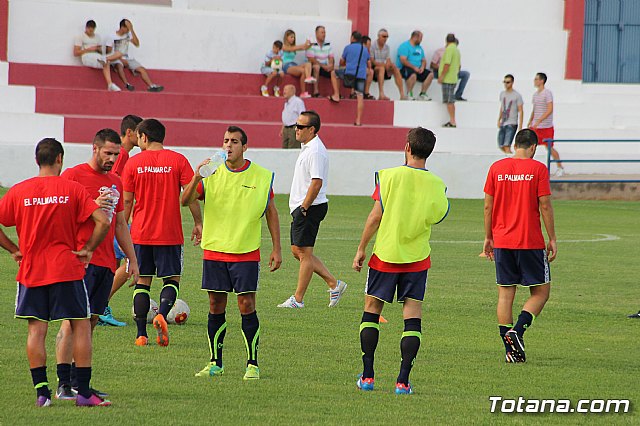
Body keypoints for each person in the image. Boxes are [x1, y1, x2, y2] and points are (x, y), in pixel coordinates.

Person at [0, 138, 110, 407]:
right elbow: (103, 220)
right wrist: (88, 249)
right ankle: (83, 393)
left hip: (32, 271)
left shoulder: (19, 190)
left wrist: (14, 249)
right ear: (60, 158)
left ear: (38, 160)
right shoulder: (72, 189)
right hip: (67, 269)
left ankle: (42, 393)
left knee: (36, 330)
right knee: (81, 326)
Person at [352, 127, 449, 395]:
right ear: (429, 151)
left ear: (407, 147)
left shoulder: (389, 176)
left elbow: (375, 217)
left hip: (385, 255)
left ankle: (368, 376)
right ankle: (403, 381)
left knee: (372, 310)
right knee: (412, 317)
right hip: (417, 258)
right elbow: (438, 215)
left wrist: (361, 248)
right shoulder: (437, 184)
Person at [181, 126, 282, 381]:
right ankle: (215, 362)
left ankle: (252, 363)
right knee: (216, 305)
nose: (229, 146)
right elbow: (185, 200)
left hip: (245, 250)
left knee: (246, 305)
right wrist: (196, 175)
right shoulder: (211, 174)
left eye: (234, 142)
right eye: (226, 141)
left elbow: (271, 211)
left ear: (244, 147)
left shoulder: (261, 176)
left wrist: (277, 248)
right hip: (215, 250)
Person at [54, 128, 140, 400]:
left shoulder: (116, 180)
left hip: (104, 264)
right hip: (80, 262)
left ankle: (81, 382)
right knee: (71, 323)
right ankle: (62, 383)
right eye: (107, 153)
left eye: (116, 154)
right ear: (94, 148)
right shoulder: (73, 177)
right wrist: (92, 204)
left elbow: (121, 224)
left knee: (89, 323)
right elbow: (60, 218)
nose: (112, 158)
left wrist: (132, 259)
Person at [122, 118, 203, 346]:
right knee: (171, 280)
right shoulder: (178, 160)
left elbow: (127, 202)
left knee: (142, 282)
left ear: (144, 137)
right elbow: (192, 194)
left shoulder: (133, 163)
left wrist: (124, 231)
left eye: (138, 138)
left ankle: (140, 334)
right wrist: (198, 222)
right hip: (169, 233)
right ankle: (161, 314)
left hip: (140, 233)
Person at [483, 128, 557, 363]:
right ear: (534, 147)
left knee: (505, 295)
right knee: (541, 292)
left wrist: (488, 237)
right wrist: (552, 237)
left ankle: (510, 351)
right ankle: (519, 331)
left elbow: (488, 206)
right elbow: (545, 205)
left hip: (502, 240)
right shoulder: (538, 169)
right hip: (530, 241)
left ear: (515, 145)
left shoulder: (497, 168)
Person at [278, 111, 347, 308]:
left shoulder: (315, 150)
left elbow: (317, 182)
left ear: (312, 129)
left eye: (300, 127)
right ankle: (334, 284)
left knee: (304, 253)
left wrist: (304, 207)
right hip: (305, 207)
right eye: (295, 126)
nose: (296, 130)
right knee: (297, 251)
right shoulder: (308, 147)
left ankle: (297, 299)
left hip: (310, 207)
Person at [98, 114, 143, 327]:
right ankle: (101, 304)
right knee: (128, 264)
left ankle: (99, 306)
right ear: (129, 133)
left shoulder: (124, 154)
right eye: (139, 132)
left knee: (113, 263)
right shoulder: (122, 155)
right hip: (116, 218)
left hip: (114, 216)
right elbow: (112, 183)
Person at [105, 19, 164, 92]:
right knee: (119, 65)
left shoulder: (128, 35)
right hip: (117, 58)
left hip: (129, 59)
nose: (128, 30)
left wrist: (131, 29)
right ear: (122, 27)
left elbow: (137, 44)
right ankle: (127, 84)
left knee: (142, 70)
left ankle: (151, 86)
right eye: (127, 28)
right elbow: (109, 52)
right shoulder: (111, 36)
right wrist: (117, 58)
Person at [528, 72, 564, 176]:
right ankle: (529, 167)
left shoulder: (547, 93)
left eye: (536, 79)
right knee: (530, 146)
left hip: (545, 127)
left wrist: (540, 120)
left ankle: (560, 167)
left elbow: (550, 109)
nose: (534, 81)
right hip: (535, 126)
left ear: (541, 80)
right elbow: (535, 109)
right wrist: (531, 120)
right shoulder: (535, 95)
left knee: (549, 147)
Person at [74, 20, 123, 91]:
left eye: (92, 30)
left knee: (118, 53)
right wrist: (89, 49)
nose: (91, 32)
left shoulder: (97, 36)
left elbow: (101, 51)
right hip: (87, 56)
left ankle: (110, 84)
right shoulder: (80, 37)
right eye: (89, 30)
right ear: (86, 28)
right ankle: (110, 83)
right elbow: (75, 53)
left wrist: (99, 49)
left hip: (98, 55)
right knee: (105, 61)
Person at [340, 31, 370, 126]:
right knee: (360, 98)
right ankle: (358, 121)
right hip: (361, 75)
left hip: (349, 74)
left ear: (352, 38)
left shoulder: (348, 48)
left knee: (334, 74)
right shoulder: (364, 49)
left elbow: (342, 61)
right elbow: (368, 62)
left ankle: (336, 94)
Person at [307, 25, 341, 102]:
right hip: (314, 66)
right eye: (322, 32)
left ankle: (337, 94)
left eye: (324, 32)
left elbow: (331, 57)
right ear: (316, 33)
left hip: (325, 66)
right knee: (316, 67)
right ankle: (316, 92)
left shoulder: (327, 44)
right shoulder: (311, 44)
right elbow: (311, 59)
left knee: (336, 70)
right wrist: (323, 66)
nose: (324, 34)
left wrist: (331, 65)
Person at [396, 31, 433, 101]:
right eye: (420, 38)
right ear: (415, 37)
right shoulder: (405, 46)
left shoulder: (419, 48)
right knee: (413, 75)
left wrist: (422, 67)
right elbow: (403, 60)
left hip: (418, 68)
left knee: (430, 74)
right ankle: (409, 93)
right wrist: (414, 67)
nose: (421, 40)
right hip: (406, 68)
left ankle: (422, 94)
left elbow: (423, 60)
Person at [371, 29, 406, 100]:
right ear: (379, 36)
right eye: (384, 36)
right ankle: (381, 94)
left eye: (387, 37)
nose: (385, 38)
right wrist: (384, 65)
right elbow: (372, 61)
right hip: (375, 68)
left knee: (395, 67)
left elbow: (388, 59)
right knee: (381, 68)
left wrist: (389, 64)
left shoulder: (387, 47)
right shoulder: (373, 46)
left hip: (383, 67)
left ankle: (402, 94)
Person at [282, 29, 314, 98]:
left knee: (308, 64)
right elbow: (292, 49)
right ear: (286, 37)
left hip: (293, 64)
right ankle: (303, 92)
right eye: (291, 37)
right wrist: (304, 44)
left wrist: (310, 44)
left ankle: (308, 78)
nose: (293, 39)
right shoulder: (283, 46)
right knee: (303, 71)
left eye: (294, 37)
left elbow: (304, 48)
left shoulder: (293, 47)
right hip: (286, 65)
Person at [438, 33, 461, 128]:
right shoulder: (456, 50)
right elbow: (459, 66)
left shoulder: (449, 49)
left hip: (448, 79)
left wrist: (442, 76)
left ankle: (452, 120)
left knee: (449, 100)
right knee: (450, 100)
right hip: (453, 77)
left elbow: (447, 64)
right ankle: (452, 120)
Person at [497, 74, 524, 154]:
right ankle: (511, 157)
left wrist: (520, 126)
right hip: (504, 122)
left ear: (512, 82)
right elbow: (502, 107)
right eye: (504, 82)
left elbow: (521, 110)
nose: (506, 84)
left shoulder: (517, 95)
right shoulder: (502, 94)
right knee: (501, 144)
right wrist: (499, 119)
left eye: (508, 82)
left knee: (507, 145)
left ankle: (511, 162)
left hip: (512, 122)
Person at [280, 84, 306, 149]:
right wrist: (282, 128)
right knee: (284, 148)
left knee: (293, 148)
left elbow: (303, 115)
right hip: (286, 128)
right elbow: (287, 117)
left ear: (292, 91)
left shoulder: (298, 102)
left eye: (286, 90)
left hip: (294, 128)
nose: (284, 92)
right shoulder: (286, 103)